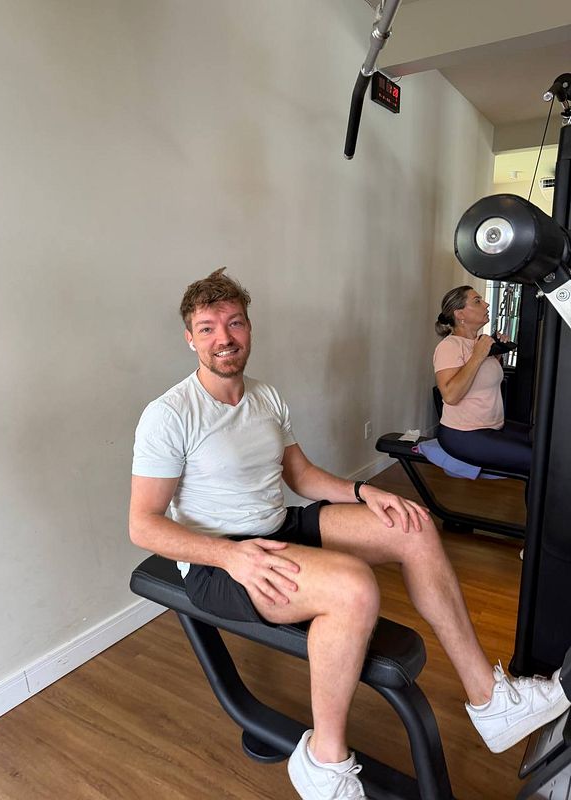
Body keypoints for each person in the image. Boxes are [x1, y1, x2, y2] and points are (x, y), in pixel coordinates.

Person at [129, 269, 567, 800]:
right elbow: (144, 525)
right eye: (207, 328)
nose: (224, 337)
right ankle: (324, 761)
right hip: (219, 564)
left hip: (278, 527)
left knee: (412, 523)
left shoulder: (265, 397)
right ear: (190, 338)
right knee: (353, 587)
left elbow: (301, 476)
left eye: (235, 323)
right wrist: (231, 556)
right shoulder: (169, 414)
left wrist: (366, 494)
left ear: (249, 329)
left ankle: (490, 701)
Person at [434, 285, 532, 476]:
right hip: (462, 434)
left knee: (548, 442)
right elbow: (451, 396)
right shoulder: (449, 346)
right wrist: (478, 355)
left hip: (494, 426)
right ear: (460, 314)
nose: (486, 304)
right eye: (477, 301)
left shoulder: (481, 343)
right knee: (540, 460)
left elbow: (481, 381)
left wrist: (495, 355)